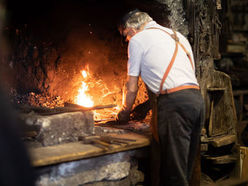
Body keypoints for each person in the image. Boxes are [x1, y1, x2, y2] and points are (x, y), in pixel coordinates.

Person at [117, 9, 205, 186]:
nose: (127, 39)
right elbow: (187, 75)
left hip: (175, 106)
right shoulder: (178, 36)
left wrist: (125, 112)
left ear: (131, 30)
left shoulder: (137, 40)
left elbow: (132, 86)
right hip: (197, 101)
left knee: (173, 173)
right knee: (185, 168)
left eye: (125, 35)